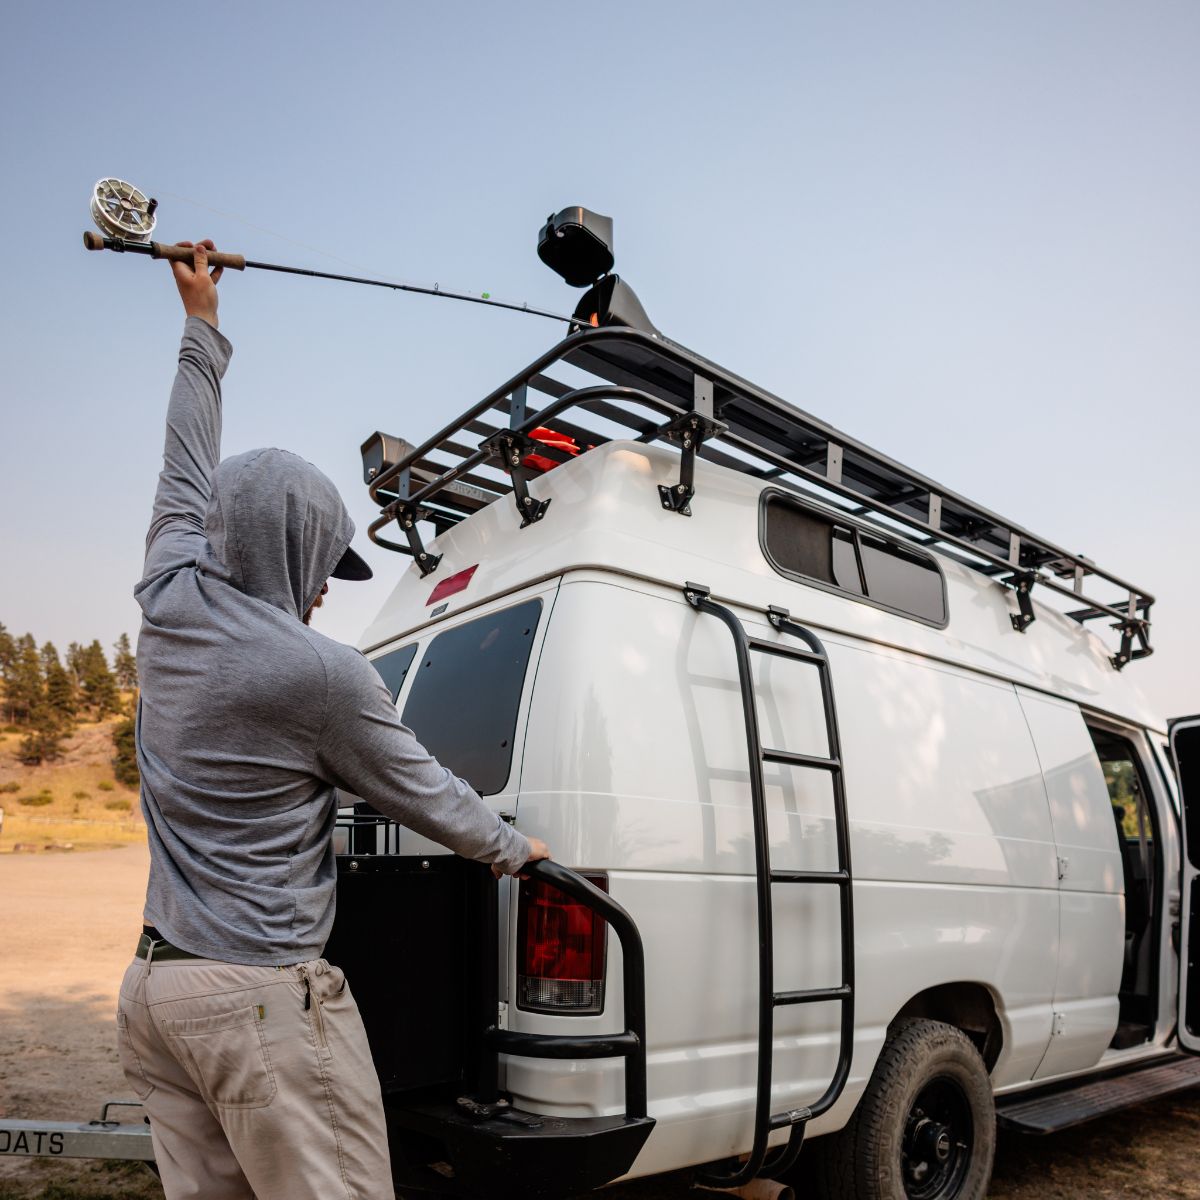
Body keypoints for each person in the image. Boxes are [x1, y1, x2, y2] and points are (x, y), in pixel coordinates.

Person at [114, 240, 551, 1200]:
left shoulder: (168, 592)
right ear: (297, 546)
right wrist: (516, 849)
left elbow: (185, 462)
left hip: (155, 989)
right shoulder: (317, 674)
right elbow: (425, 791)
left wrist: (201, 325)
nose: (322, 591)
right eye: (323, 564)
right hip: (256, 1002)